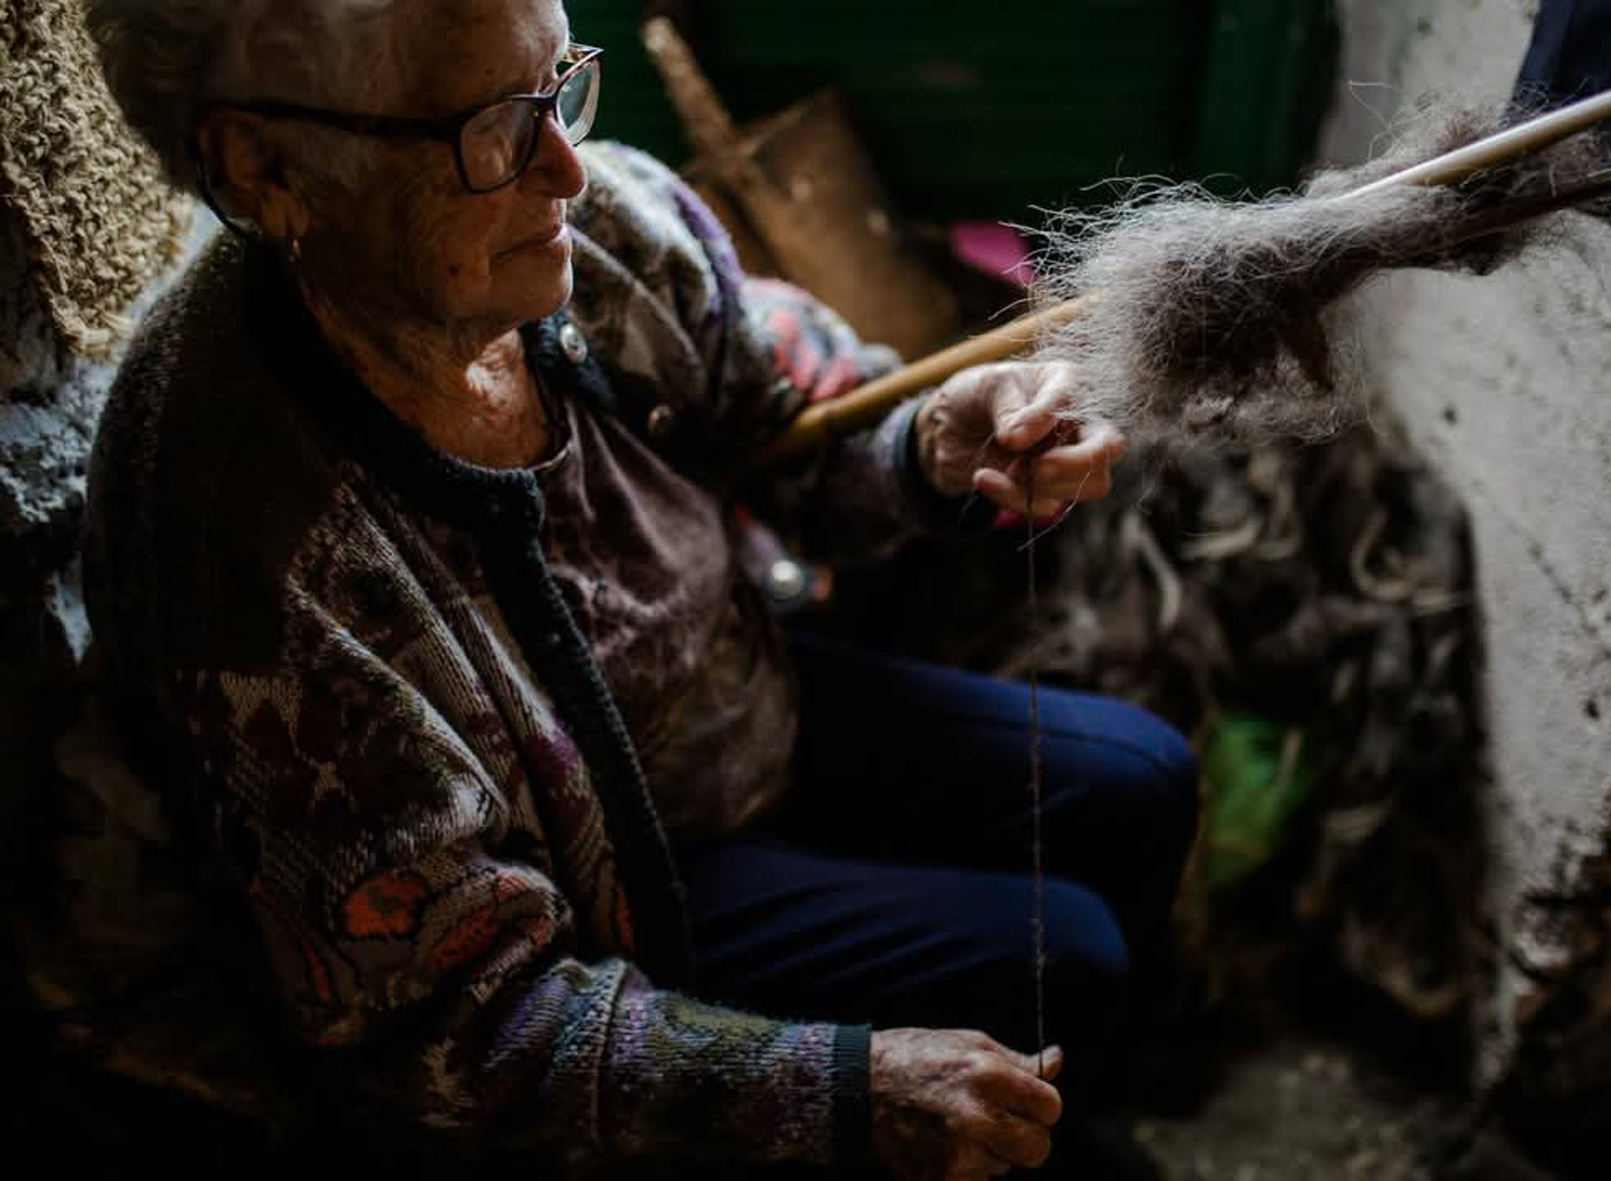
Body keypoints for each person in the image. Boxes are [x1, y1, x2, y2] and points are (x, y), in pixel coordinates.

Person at [53, 0, 1198, 1175]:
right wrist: (842, 1089)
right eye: (492, 127)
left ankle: (1077, 1103)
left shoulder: (594, 229)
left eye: (559, 84)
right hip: (610, 907)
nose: (565, 166)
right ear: (268, 164)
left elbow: (789, 435)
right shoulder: (245, 545)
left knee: (1143, 782)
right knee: (1065, 955)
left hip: (740, 692)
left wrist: (928, 448)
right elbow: (461, 1031)